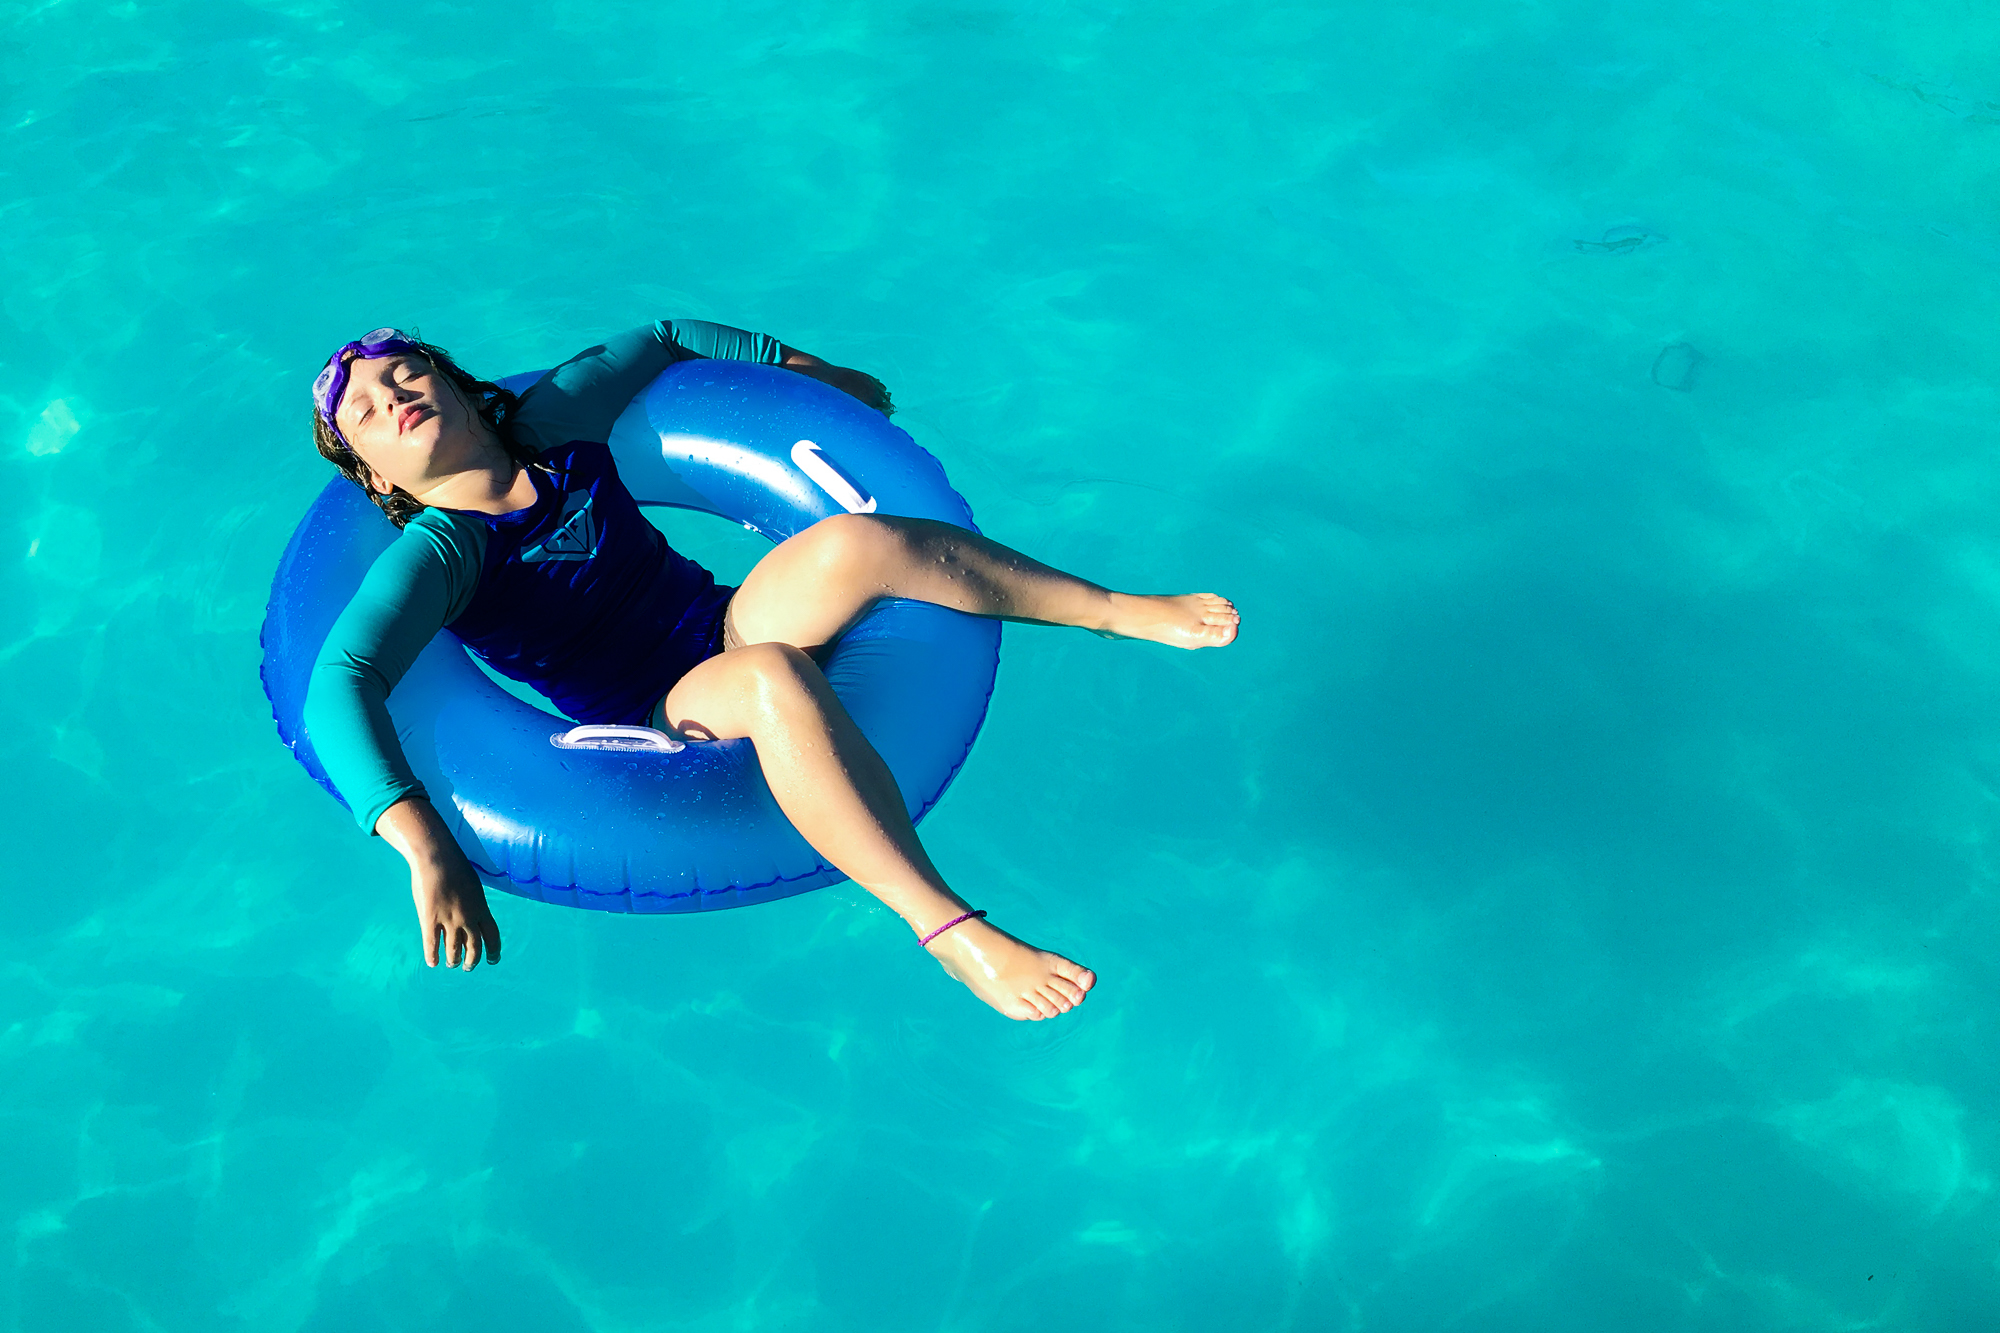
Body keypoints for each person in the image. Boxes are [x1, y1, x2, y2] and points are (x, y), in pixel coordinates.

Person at [303, 319, 1239, 1020]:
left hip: (720, 619)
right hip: (656, 707)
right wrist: (424, 844)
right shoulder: (441, 554)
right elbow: (340, 680)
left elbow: (664, 338)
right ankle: (949, 931)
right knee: (770, 679)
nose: (394, 396)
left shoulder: (557, 423)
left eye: (406, 372)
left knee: (854, 541)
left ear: (459, 385)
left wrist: (815, 377)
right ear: (376, 475)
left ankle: (1116, 610)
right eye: (368, 410)